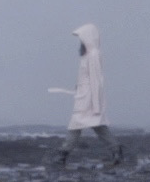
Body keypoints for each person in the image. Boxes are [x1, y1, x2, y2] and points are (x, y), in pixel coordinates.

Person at [48, 23, 123, 166]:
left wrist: (96, 104)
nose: (80, 43)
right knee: (96, 125)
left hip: (88, 99)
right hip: (84, 97)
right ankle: (116, 150)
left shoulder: (94, 55)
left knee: (77, 125)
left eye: (82, 39)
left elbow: (96, 81)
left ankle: (62, 155)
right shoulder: (88, 55)